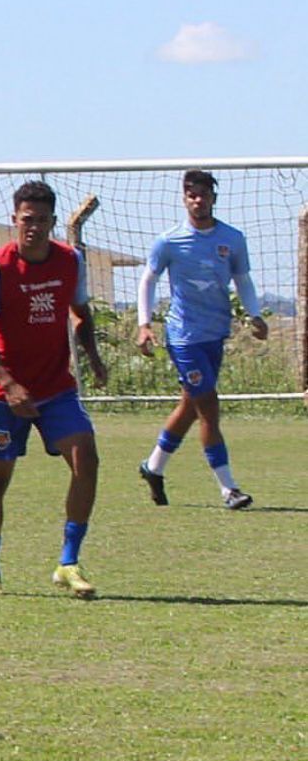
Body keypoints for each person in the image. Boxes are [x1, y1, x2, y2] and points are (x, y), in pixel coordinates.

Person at [0, 180, 108, 599]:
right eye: (27, 220)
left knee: (87, 458)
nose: (34, 228)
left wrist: (94, 357)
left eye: (43, 221)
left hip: (55, 388)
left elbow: (81, 315)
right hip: (5, 393)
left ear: (52, 222)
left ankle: (68, 562)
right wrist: (9, 384)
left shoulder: (70, 261)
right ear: (15, 219)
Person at [136, 169, 267, 510]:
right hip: (183, 337)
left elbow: (243, 279)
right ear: (184, 199)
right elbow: (148, 280)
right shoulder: (170, 241)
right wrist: (144, 323)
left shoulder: (232, 239)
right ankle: (229, 489)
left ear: (213, 197)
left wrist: (254, 314)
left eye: (203, 194)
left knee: (190, 408)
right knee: (208, 407)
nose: (198, 200)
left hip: (214, 334)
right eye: (191, 194)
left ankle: (153, 467)